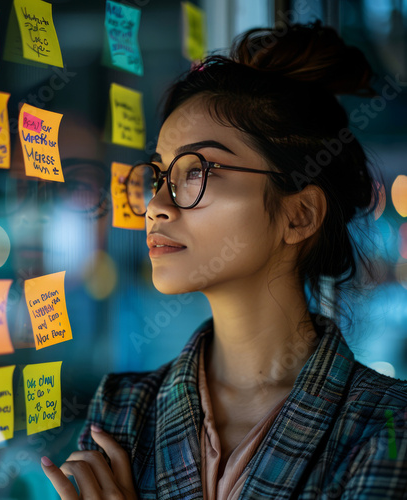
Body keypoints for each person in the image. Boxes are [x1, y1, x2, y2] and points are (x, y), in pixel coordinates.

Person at [41, 21, 407, 499]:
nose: (157, 205)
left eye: (198, 172)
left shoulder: (389, 427)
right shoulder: (122, 407)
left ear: (299, 215)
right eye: (159, 174)